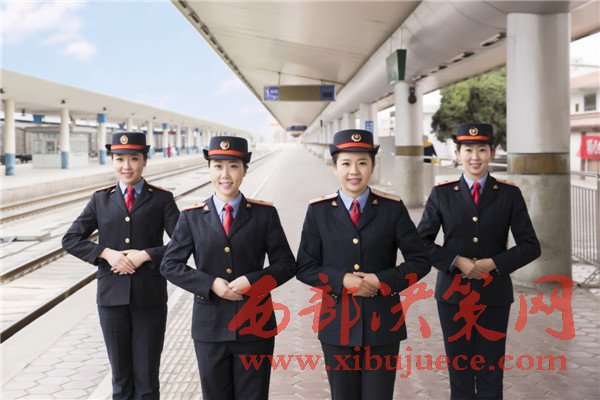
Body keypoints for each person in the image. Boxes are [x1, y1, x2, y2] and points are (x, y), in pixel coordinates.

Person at [296, 129, 431, 400]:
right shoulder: (319, 211)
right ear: (335, 167)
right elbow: (305, 267)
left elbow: (420, 261)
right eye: (346, 163)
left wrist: (382, 281)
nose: (354, 171)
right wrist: (342, 281)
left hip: (383, 324)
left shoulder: (392, 208)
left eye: (362, 163)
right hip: (337, 323)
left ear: (372, 166)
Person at [160, 136, 296, 400]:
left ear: (245, 170)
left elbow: (286, 264)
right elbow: (170, 265)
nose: (225, 174)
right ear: (209, 169)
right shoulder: (191, 217)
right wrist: (210, 283)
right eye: (218, 166)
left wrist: (253, 282)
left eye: (233, 166)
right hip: (210, 328)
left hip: (255, 325)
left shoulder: (264, 215)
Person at [417, 123, 541, 400]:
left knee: (491, 372)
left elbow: (531, 246)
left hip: (494, 295)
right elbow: (420, 243)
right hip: (452, 296)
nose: (475, 157)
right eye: (468, 150)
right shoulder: (442, 193)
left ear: (492, 152)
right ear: (457, 154)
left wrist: (493, 264)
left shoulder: (508, 194)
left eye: (482, 149)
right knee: (459, 372)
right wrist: (455, 261)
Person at [62, 132, 180, 400]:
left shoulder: (162, 199)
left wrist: (146, 255)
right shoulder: (100, 199)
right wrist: (106, 253)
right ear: (112, 161)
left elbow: (183, 243)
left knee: (147, 378)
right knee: (120, 378)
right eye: (120, 159)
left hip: (149, 297)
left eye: (134, 159)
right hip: (111, 298)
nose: (126, 166)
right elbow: (70, 239)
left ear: (144, 161)